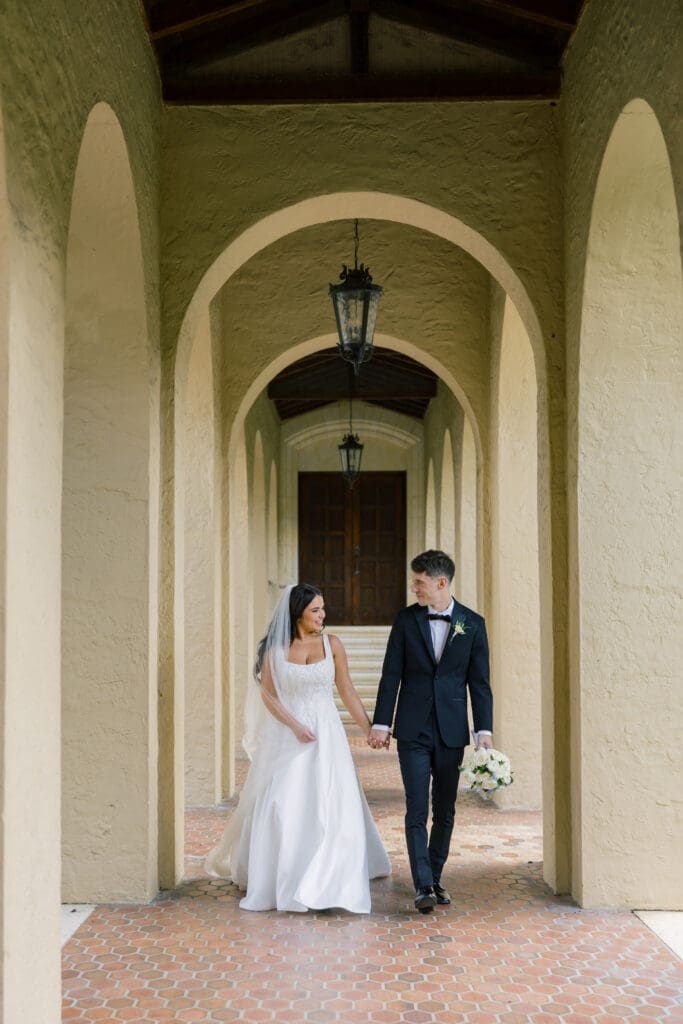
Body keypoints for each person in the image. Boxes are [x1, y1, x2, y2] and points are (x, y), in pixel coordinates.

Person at [205, 583, 390, 913]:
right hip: (289, 735)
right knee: (282, 802)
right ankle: (283, 875)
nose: (323, 615)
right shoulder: (276, 650)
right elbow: (268, 695)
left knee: (332, 800)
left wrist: (368, 729)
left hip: (327, 733)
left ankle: (332, 878)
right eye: (315, 610)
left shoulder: (332, 644)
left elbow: (345, 689)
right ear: (297, 614)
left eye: (323, 608)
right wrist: (294, 725)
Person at [368, 550, 493, 914]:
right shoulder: (405, 621)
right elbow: (391, 673)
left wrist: (483, 730)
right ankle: (422, 884)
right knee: (415, 807)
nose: (414, 588)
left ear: (441, 583)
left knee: (445, 810)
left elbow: (480, 683)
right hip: (412, 730)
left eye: (419, 582)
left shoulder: (473, 623)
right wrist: (381, 722)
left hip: (452, 732)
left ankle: (434, 876)